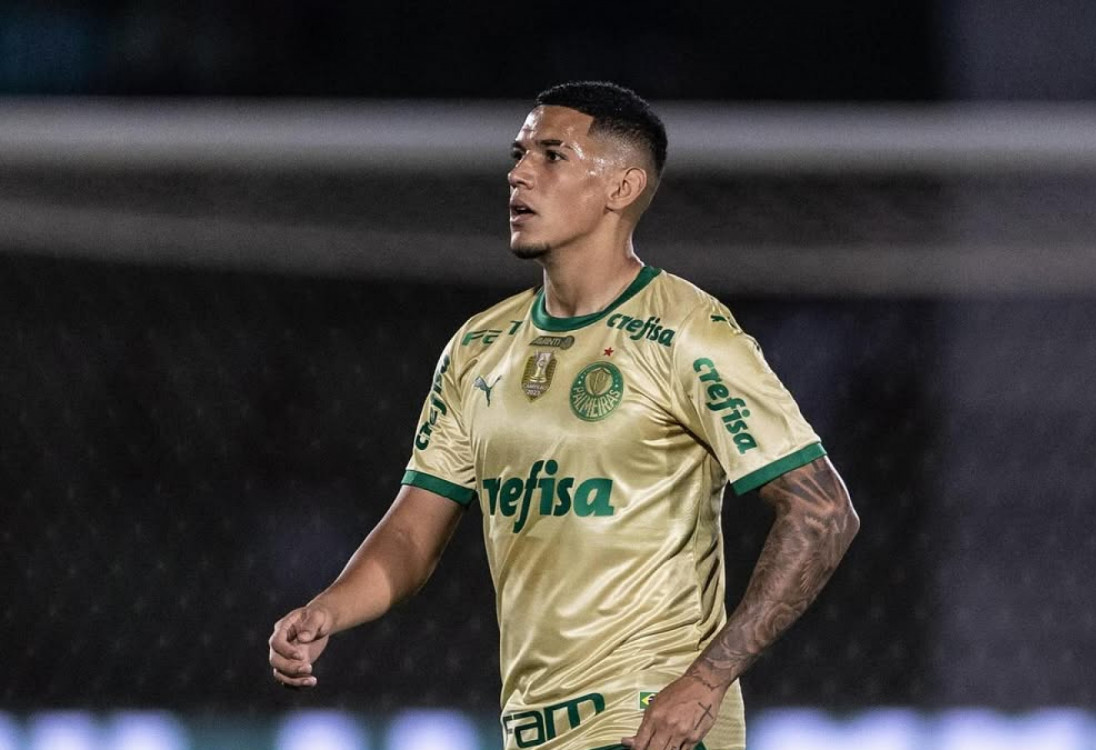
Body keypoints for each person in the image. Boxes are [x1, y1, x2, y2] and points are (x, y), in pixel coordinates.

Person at [269, 81, 859, 750]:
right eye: (518, 154)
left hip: (645, 724)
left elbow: (823, 513)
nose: (519, 173)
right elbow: (412, 532)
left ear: (622, 188)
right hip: (531, 729)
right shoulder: (479, 347)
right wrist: (329, 609)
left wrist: (706, 680)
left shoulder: (688, 332)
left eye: (552, 155)